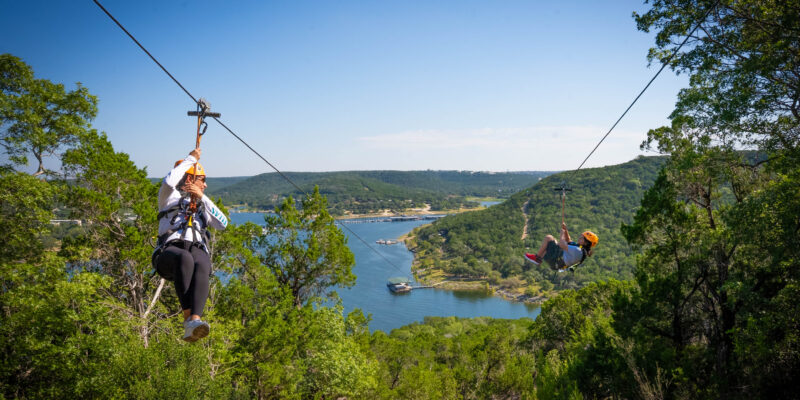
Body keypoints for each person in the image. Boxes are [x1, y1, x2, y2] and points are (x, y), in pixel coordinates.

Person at [154, 148, 228, 342]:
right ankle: (188, 318)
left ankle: (195, 320)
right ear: (189, 180)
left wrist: (201, 197)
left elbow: (223, 223)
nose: (205, 184)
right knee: (184, 258)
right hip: (170, 252)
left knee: (202, 262)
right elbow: (169, 181)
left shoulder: (202, 205)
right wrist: (191, 159)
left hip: (195, 248)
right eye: (201, 179)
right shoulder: (168, 198)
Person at [524, 222, 598, 271]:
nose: (579, 238)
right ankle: (538, 259)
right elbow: (569, 241)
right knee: (549, 245)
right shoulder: (580, 249)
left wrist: (562, 234)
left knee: (549, 238)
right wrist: (565, 230)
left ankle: (537, 258)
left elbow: (562, 244)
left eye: (581, 238)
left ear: (586, 242)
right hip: (558, 262)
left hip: (557, 260)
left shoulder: (578, 251)